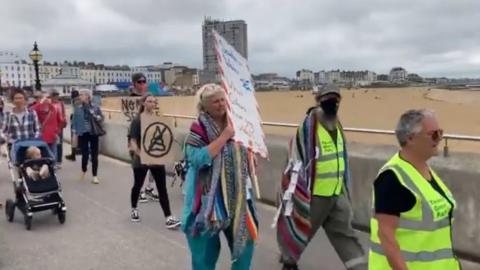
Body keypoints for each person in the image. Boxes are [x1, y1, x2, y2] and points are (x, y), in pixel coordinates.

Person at [276, 84, 366, 270]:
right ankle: (288, 261)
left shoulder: (337, 125)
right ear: (318, 101)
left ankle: (359, 266)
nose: (332, 103)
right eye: (327, 99)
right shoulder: (308, 127)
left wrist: (344, 189)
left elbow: (342, 157)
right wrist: (297, 193)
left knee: (344, 234)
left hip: (336, 192)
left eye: (335, 99)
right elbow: (295, 158)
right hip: (314, 195)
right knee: (301, 231)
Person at [369, 109, 460, 270]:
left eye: (440, 133)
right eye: (433, 134)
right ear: (410, 138)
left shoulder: (425, 172)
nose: (439, 139)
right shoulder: (392, 178)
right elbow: (386, 235)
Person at [182, 84, 258, 270]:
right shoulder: (198, 128)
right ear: (204, 106)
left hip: (239, 198)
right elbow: (196, 159)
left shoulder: (238, 124)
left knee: (245, 245)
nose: (221, 104)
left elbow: (245, 150)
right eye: (215, 101)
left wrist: (250, 158)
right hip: (207, 202)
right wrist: (223, 137)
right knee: (204, 256)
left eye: (223, 99)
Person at [128, 94, 180, 228]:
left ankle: (168, 217)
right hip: (141, 160)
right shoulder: (137, 120)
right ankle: (134, 209)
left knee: (162, 188)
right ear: (143, 103)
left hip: (156, 158)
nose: (152, 103)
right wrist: (142, 156)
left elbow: (161, 136)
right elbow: (133, 142)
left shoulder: (158, 119)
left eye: (154, 101)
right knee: (138, 185)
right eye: (149, 101)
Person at [128, 72, 159, 202]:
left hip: (150, 136)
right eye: (139, 82)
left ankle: (149, 188)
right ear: (134, 84)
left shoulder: (150, 98)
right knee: (139, 165)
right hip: (136, 136)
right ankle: (140, 189)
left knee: (154, 163)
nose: (142, 84)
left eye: (144, 82)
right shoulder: (131, 98)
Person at [71, 89, 104, 184]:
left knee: (94, 155)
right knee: (84, 154)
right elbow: (74, 122)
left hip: (93, 133)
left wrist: (94, 115)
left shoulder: (95, 107)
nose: (80, 96)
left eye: (82, 94)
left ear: (88, 96)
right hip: (83, 133)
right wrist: (74, 134)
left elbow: (101, 118)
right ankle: (84, 168)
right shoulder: (78, 108)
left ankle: (95, 176)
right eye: (80, 95)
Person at [30, 92, 62, 162]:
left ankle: (52, 168)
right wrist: (40, 104)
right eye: (44, 98)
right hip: (41, 137)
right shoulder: (35, 109)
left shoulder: (53, 108)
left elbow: (59, 120)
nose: (46, 99)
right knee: (43, 155)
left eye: (48, 97)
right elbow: (31, 113)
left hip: (51, 136)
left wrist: (57, 131)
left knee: (52, 155)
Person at [50, 89, 67, 165]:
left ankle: (59, 160)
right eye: (54, 95)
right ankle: (52, 159)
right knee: (51, 143)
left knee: (59, 144)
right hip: (51, 127)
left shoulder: (61, 104)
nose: (55, 97)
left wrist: (63, 123)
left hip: (59, 127)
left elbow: (63, 114)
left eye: (56, 95)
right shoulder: (49, 104)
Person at [65, 89, 80, 161]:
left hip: (76, 124)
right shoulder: (78, 101)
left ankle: (73, 155)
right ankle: (74, 154)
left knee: (74, 140)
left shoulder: (76, 101)